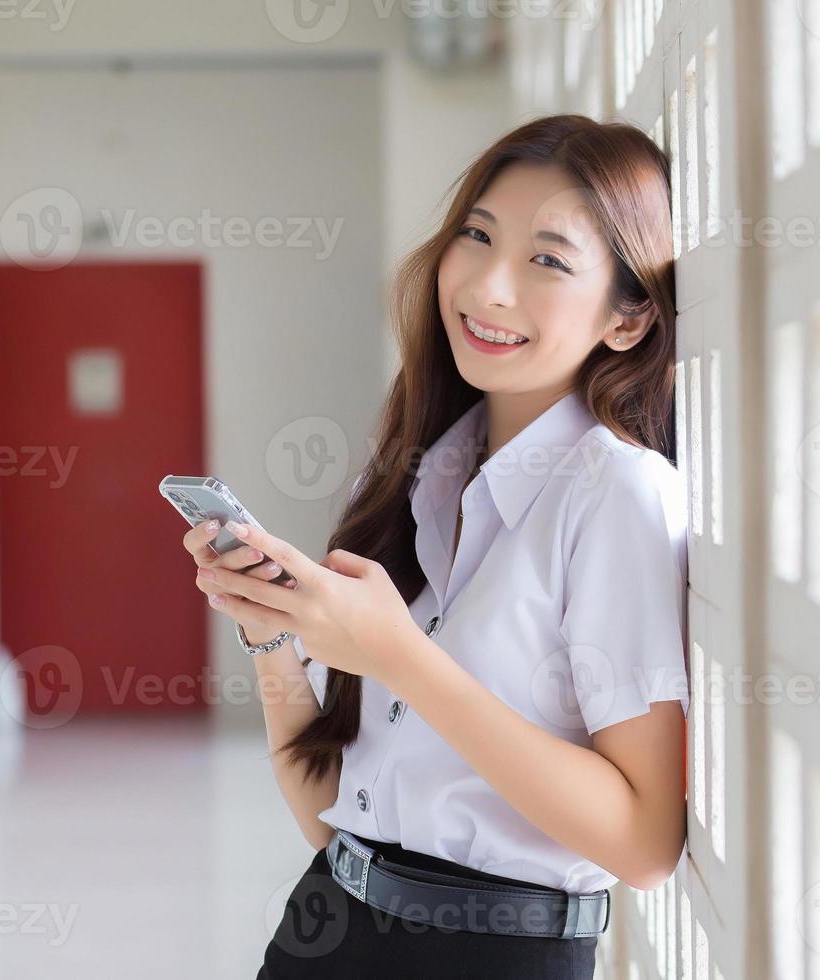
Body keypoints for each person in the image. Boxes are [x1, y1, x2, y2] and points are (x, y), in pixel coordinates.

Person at [180, 113, 688, 979]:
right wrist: (267, 631)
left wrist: (397, 654)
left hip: (496, 955)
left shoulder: (617, 494)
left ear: (629, 320)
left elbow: (644, 844)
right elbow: (334, 816)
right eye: (476, 236)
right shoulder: (413, 476)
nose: (489, 287)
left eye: (548, 260)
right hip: (324, 926)